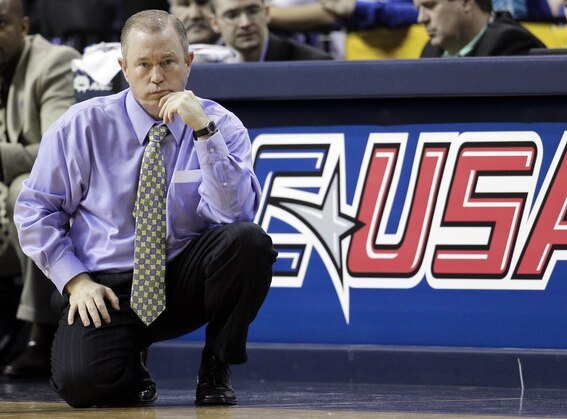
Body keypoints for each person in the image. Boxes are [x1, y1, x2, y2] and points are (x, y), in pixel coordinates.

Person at [14, 9, 277, 408]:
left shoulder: (221, 125)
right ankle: (131, 371)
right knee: (81, 385)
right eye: (143, 64)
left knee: (249, 243)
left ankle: (216, 364)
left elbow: (235, 216)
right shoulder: (82, 126)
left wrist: (204, 134)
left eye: (168, 62)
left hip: (183, 279)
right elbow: (35, 211)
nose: (156, 77)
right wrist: (75, 281)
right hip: (107, 287)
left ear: (188, 63)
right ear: (123, 67)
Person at [0, 0, 80, 377]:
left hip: (50, 191)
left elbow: (56, 152)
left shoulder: (53, 62)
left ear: (23, 26)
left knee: (24, 192)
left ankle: (40, 333)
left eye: (1, 24)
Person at [209, 0, 333, 61]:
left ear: (267, 12)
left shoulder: (313, 64)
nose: (245, 23)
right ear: (214, 23)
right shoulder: (201, 67)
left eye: (253, 11)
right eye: (232, 15)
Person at [415, 0, 545, 57]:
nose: (421, 18)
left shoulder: (511, 43)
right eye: (418, 9)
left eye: (429, 6)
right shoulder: (430, 51)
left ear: (466, 2)